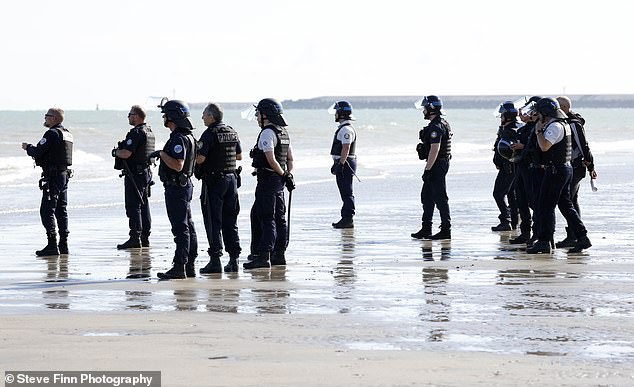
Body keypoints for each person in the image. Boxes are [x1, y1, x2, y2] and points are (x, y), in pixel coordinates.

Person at [526, 98, 591, 254]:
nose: (537, 115)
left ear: (545, 113)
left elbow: (544, 146)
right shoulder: (563, 124)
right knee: (566, 205)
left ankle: (544, 241)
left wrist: (538, 130)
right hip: (563, 169)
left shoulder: (554, 126)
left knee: (545, 206)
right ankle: (582, 237)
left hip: (556, 170)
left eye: (539, 112)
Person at [244, 98, 295, 269]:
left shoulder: (267, 133)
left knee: (266, 217)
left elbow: (271, 159)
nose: (257, 117)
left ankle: (264, 256)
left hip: (268, 180)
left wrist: (283, 174)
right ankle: (279, 254)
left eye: (258, 114)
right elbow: (289, 159)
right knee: (279, 218)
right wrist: (288, 175)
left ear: (266, 115)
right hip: (279, 181)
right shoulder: (284, 133)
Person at [152, 99, 198, 279]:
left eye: (165, 115)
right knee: (188, 226)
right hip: (184, 186)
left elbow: (178, 165)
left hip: (177, 188)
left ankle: (180, 266)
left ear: (172, 117)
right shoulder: (188, 136)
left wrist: (161, 154)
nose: (164, 117)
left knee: (181, 228)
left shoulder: (179, 138)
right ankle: (189, 265)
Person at [195, 103, 242, 273]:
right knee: (231, 221)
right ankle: (234, 260)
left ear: (211, 116)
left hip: (214, 182)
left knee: (213, 221)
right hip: (232, 180)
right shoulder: (231, 131)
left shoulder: (209, 134)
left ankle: (215, 261)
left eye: (204, 115)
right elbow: (239, 155)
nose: (202, 118)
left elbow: (200, 159)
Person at [21, 108, 73, 256]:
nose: (45, 118)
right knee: (61, 210)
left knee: (47, 210)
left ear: (55, 118)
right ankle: (63, 244)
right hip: (63, 175)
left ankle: (52, 245)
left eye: (47, 116)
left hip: (54, 176)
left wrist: (28, 148)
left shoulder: (51, 133)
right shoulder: (67, 133)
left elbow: (38, 151)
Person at [554, 96, 597, 248]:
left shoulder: (573, 124)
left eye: (557, 107)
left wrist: (591, 167)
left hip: (576, 167)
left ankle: (575, 236)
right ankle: (573, 235)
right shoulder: (565, 123)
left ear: (564, 108)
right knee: (572, 200)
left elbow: (584, 146)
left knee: (567, 201)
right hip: (572, 167)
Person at [111, 105, 155, 249]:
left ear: (136, 116)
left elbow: (126, 153)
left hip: (136, 174)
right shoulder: (149, 131)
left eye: (130, 114)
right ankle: (145, 236)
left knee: (133, 205)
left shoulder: (137, 132)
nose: (128, 117)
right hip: (145, 172)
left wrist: (115, 152)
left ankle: (135, 237)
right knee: (143, 204)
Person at [411, 95, 452, 240]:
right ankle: (426, 228)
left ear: (431, 109)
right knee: (427, 197)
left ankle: (446, 229)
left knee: (440, 197)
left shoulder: (436, 126)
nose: (423, 111)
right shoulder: (440, 123)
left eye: (425, 108)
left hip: (437, 164)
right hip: (437, 163)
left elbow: (435, 149)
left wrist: (428, 170)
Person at [508, 96, 542, 244]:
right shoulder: (523, 129)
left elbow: (541, 147)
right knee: (520, 198)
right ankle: (525, 232)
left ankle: (538, 233)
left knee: (534, 202)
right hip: (521, 167)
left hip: (533, 168)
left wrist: (523, 147)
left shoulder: (538, 127)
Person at [491, 101, 521, 231]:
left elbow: (503, 150)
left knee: (498, 194)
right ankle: (515, 220)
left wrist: (498, 163)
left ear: (507, 116)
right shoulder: (518, 128)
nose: (501, 117)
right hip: (515, 169)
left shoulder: (508, 131)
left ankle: (505, 220)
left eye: (502, 115)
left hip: (507, 168)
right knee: (511, 194)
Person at [329, 100, 357, 229]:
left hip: (345, 162)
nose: (334, 114)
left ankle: (347, 218)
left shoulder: (346, 129)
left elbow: (346, 148)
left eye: (336, 112)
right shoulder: (343, 128)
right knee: (344, 191)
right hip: (343, 161)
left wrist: (340, 164)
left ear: (341, 113)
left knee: (346, 191)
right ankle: (346, 217)